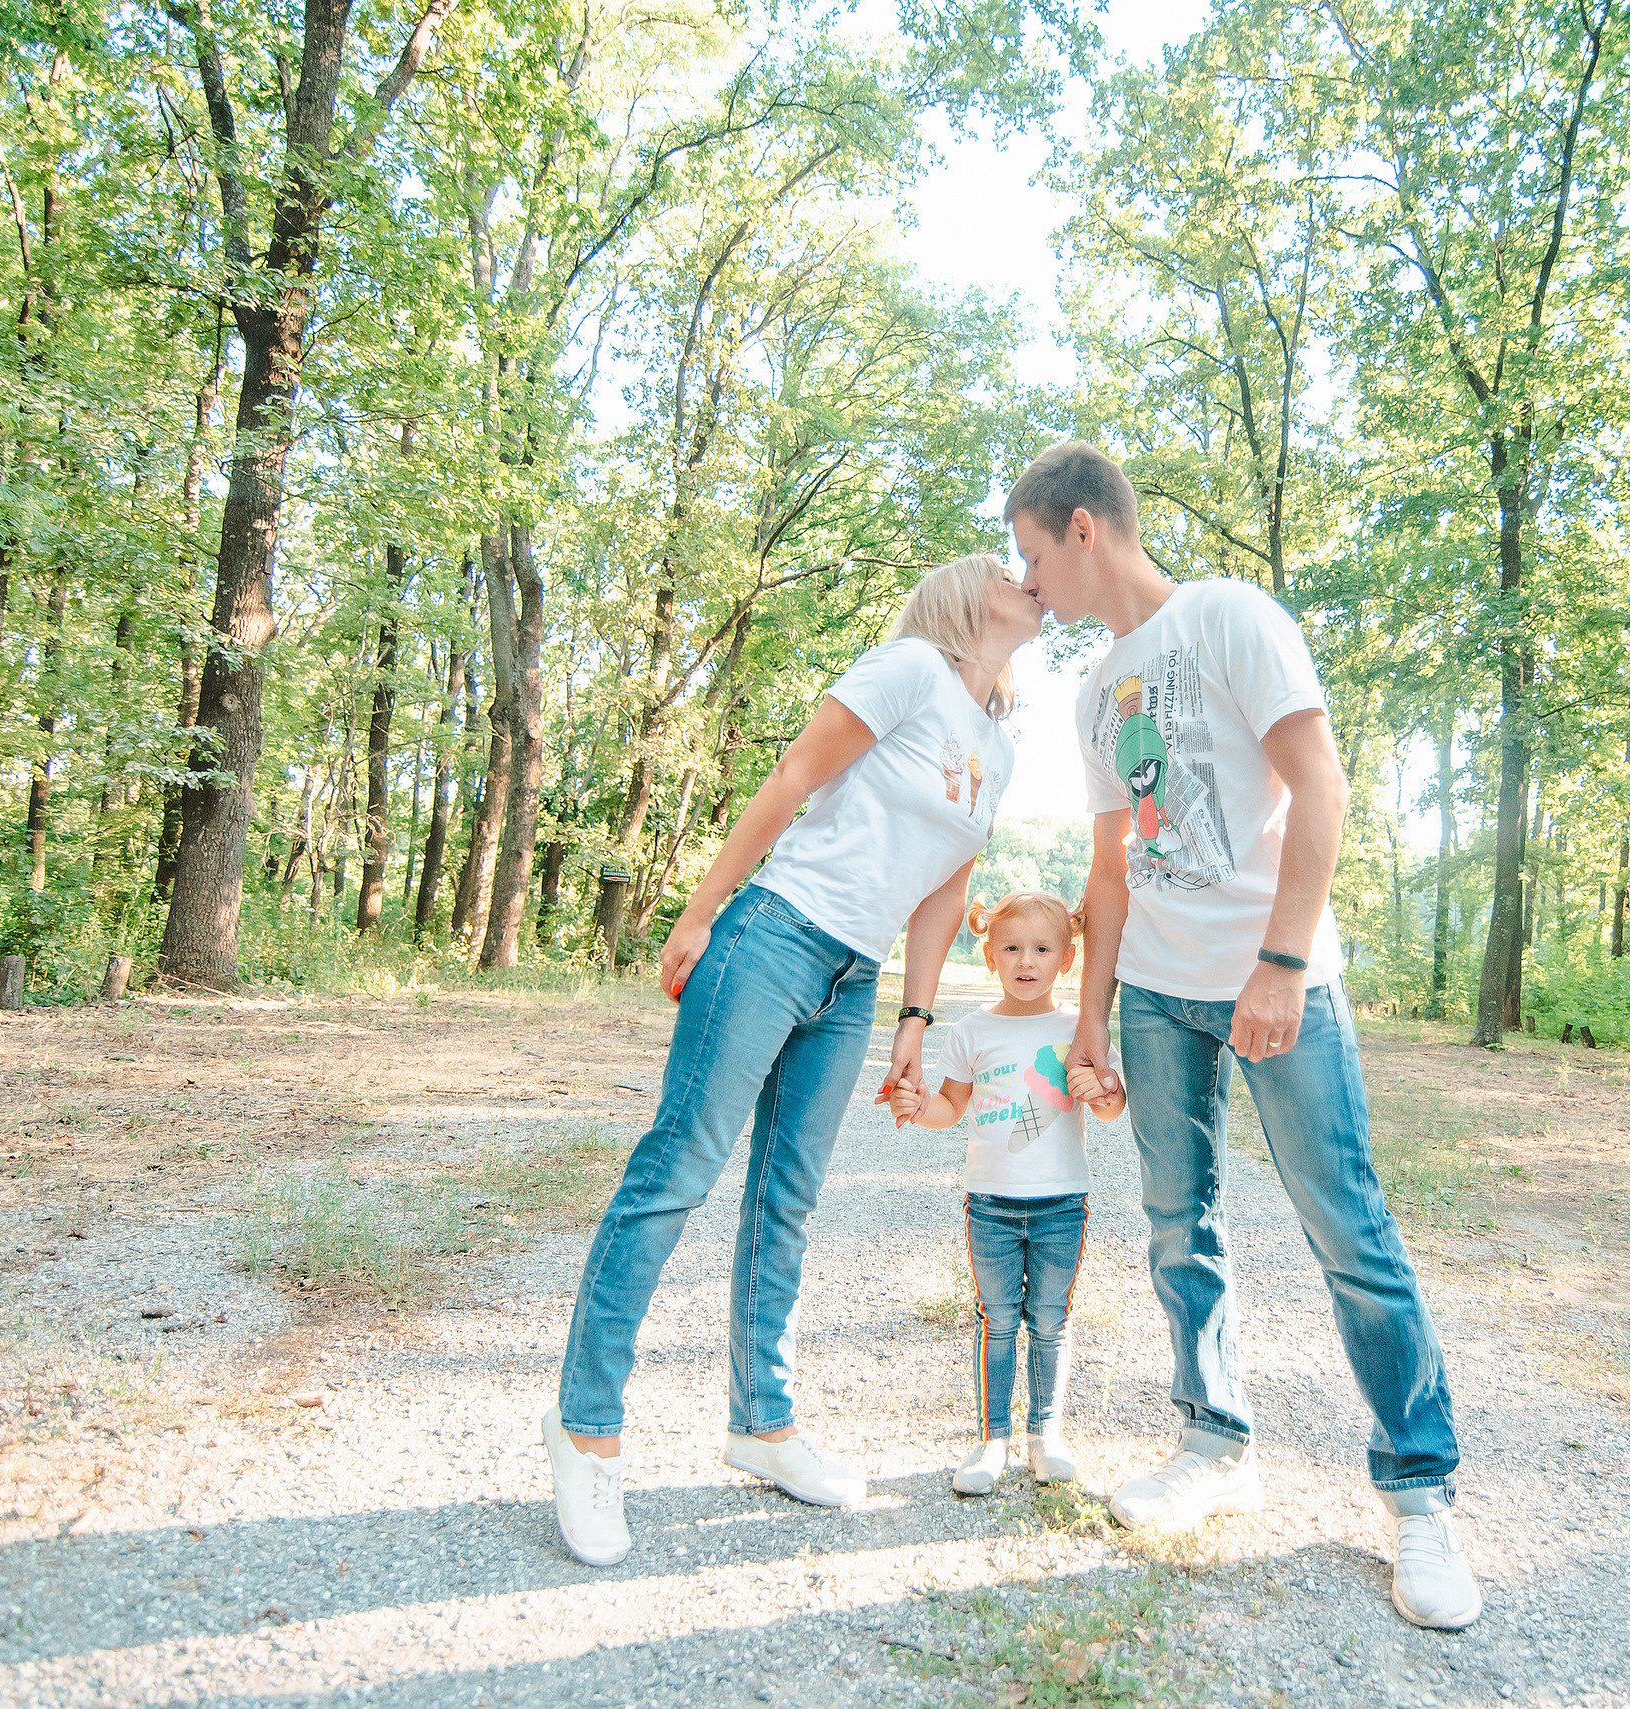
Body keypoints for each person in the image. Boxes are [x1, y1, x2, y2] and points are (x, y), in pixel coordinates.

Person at [1007, 440, 1483, 1632]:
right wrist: (1091, 1017)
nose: (1028, 585)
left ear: (1081, 528)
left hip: (1278, 981)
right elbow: (1110, 868)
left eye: (1031, 555)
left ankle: (1419, 1491)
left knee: (1347, 1226)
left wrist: (1280, 961)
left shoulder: (1229, 614)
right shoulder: (1093, 692)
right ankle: (1215, 1440)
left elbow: (1320, 784)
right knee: (1179, 1225)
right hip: (1159, 994)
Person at [542, 552, 1043, 1568]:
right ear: (962, 598)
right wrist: (699, 911)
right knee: (677, 1171)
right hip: (775, 933)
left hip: (853, 978)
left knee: (788, 1199)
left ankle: (761, 1423)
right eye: (1006, 567)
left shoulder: (999, 746)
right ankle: (586, 1426)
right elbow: (793, 777)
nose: (1027, 578)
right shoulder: (909, 667)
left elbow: (947, 888)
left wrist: (914, 1015)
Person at [890, 891, 1125, 1496]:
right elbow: (950, 1108)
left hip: (1061, 1203)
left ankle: (1046, 1437)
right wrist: (915, 1106)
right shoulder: (972, 1031)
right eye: (1012, 948)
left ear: (1066, 959)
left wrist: (1103, 1092)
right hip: (990, 1204)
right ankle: (991, 1440)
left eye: (1042, 949)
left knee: (1050, 1319)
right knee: (996, 1320)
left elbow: (1109, 1108)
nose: (1026, 961)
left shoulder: (1079, 1029)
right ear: (991, 955)